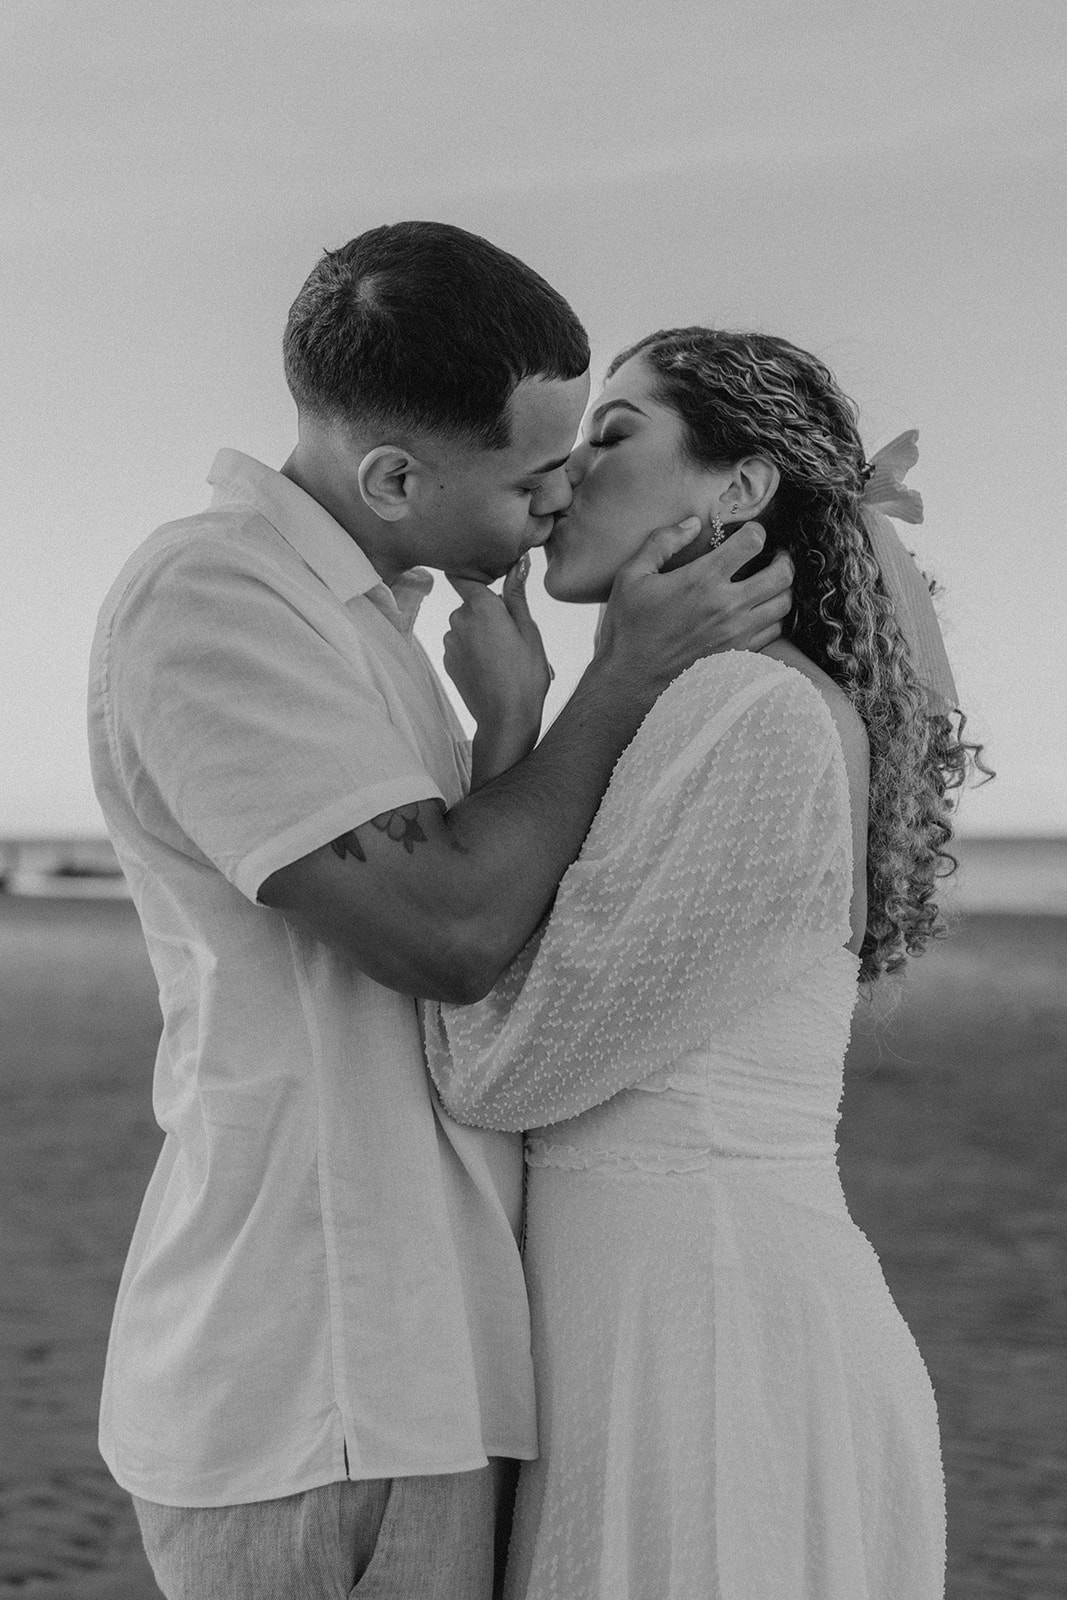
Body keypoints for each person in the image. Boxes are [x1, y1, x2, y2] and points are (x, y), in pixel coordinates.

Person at [87, 229, 794, 1600]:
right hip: (324, 1378)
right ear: (396, 477)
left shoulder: (371, 624)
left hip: (418, 1361)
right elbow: (446, 938)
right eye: (535, 472)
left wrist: (515, 721)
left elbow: (466, 918)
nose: (560, 496)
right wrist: (618, 682)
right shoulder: (218, 595)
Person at [426, 328, 987, 1598]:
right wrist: (523, 721)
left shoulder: (743, 710)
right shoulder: (711, 701)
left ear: (737, 489)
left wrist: (519, 730)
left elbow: (497, 1064)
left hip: (708, 1337)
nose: (564, 478)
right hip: (656, 1317)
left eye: (614, 436)